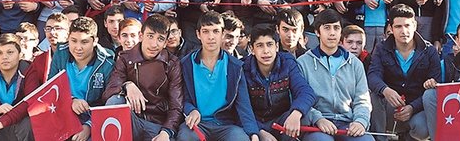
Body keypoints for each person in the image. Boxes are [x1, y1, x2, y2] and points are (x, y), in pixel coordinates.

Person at [178, 11, 260, 141]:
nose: (211, 37)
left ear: (222, 34)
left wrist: (253, 134)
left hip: (225, 124)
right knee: (185, 137)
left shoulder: (235, 66)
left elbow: (244, 105)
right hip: (198, 124)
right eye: (205, 31)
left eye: (216, 31)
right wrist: (191, 110)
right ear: (198, 34)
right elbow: (184, 98)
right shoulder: (186, 63)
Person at [103, 14, 183, 141]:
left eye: (160, 39)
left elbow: (176, 105)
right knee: (115, 101)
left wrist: (166, 132)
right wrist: (127, 86)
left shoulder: (172, 64)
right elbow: (109, 92)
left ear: (165, 43)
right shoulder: (125, 58)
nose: (154, 44)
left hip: (157, 123)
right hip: (132, 119)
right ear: (141, 36)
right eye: (150, 36)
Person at [297, 9, 373, 141]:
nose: (332, 33)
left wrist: (360, 121)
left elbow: (362, 99)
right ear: (317, 32)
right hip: (317, 125)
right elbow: (299, 98)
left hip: (348, 123)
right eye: (327, 28)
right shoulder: (303, 63)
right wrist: (318, 119)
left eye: (336, 28)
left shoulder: (355, 64)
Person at [367, 4, 439, 141]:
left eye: (407, 25)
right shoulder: (381, 48)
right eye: (398, 26)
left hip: (417, 109)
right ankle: (380, 139)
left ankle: (407, 137)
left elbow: (435, 85)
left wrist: (413, 107)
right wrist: (385, 90)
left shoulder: (429, 51)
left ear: (415, 25)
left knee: (422, 129)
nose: (404, 31)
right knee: (374, 95)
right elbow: (373, 75)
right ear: (391, 28)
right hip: (390, 106)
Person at [243, 23, 316, 141]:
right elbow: (242, 108)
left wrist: (296, 113)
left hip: (282, 120)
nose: (266, 51)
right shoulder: (243, 69)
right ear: (252, 49)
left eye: (270, 44)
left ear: (276, 47)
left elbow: (306, 91)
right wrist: (260, 131)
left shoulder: (287, 62)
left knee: (305, 116)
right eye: (260, 46)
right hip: (254, 123)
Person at [48, 16, 115, 141]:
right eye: (73, 41)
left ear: (95, 41)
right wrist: (71, 100)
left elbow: (107, 102)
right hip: (62, 112)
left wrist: (89, 126)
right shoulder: (60, 53)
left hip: (92, 118)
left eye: (84, 42)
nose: (78, 47)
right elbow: (51, 87)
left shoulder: (107, 64)